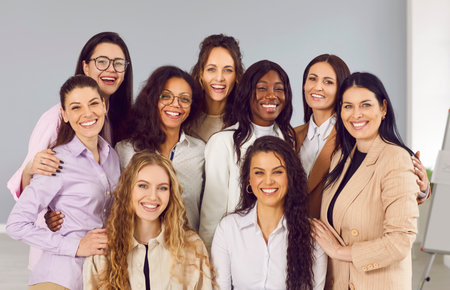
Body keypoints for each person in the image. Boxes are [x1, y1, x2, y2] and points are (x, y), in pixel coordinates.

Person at [6, 75, 120, 290]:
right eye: (76, 107)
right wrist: (76, 245)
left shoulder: (112, 157)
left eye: (94, 103)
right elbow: (16, 225)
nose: (88, 113)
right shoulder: (57, 161)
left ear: (104, 106)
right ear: (65, 115)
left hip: (100, 276)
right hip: (60, 277)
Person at [311, 72, 420, 289]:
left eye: (366, 105)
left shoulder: (395, 158)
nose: (356, 114)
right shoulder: (341, 157)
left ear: (383, 108)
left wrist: (338, 251)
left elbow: (400, 241)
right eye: (348, 106)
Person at [295, 54, 430, 218]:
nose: (317, 87)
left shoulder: (357, 136)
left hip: (333, 237)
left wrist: (421, 190)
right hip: (289, 236)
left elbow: (389, 187)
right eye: (312, 79)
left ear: (342, 90)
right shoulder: (291, 135)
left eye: (328, 82)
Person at [199, 60, 296, 250]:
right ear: (246, 94)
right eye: (261, 88)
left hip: (278, 248)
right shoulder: (223, 143)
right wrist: (210, 270)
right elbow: (211, 216)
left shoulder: (289, 141)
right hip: (236, 251)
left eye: (279, 89)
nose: (271, 95)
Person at [83, 151, 215, 289]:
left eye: (162, 188)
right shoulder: (102, 250)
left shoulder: (191, 245)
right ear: (128, 189)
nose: (153, 197)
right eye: (143, 186)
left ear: (171, 194)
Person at [211, 136, 326, 289]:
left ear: (291, 177)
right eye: (259, 173)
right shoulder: (228, 228)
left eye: (277, 172)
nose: (268, 181)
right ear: (248, 180)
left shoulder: (313, 234)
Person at [115, 66, 204, 231]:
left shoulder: (200, 151)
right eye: (166, 96)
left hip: (186, 249)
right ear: (152, 99)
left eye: (184, 99)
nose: (175, 104)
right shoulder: (125, 150)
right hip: (135, 250)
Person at [190, 34, 244, 142]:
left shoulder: (245, 120)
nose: (219, 78)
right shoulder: (184, 115)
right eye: (211, 69)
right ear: (201, 73)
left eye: (228, 70)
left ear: (237, 76)